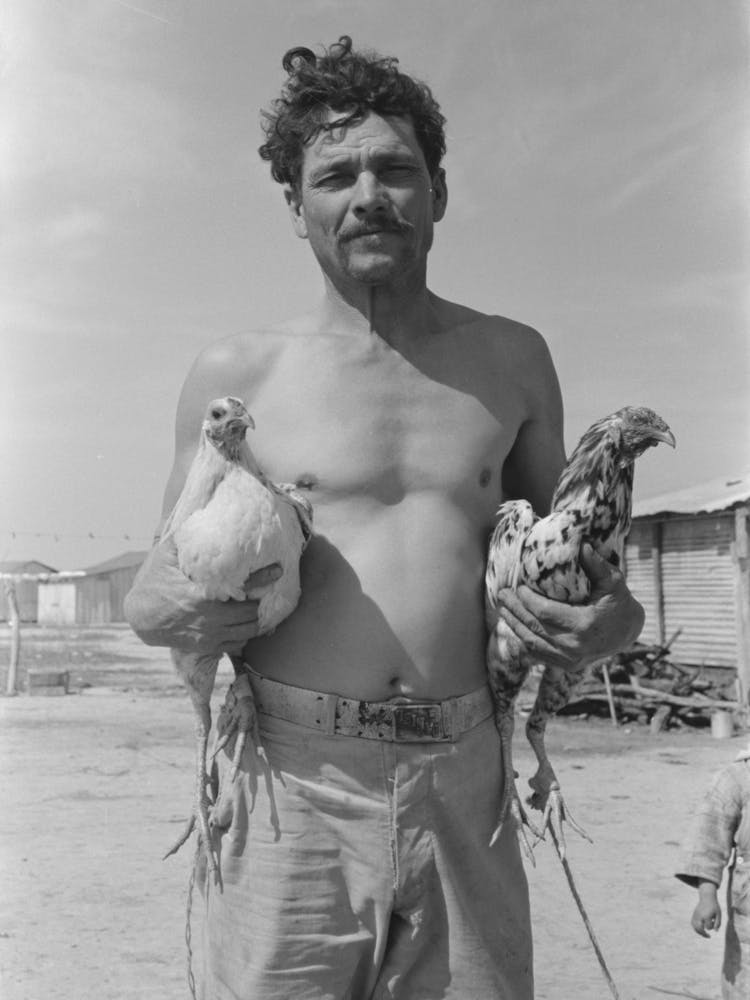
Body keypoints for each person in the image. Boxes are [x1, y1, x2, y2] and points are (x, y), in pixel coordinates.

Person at [125, 35, 644, 1000]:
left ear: (437, 193)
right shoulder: (236, 374)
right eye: (336, 175)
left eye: (397, 169)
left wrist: (612, 625)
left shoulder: (514, 360)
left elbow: (576, 558)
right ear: (296, 206)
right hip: (293, 781)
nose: (369, 193)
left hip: (467, 776)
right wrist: (158, 611)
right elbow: (164, 587)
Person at [675, 742, 750, 999]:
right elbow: (709, 839)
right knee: (745, 980)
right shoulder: (736, 779)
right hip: (748, 916)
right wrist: (707, 896)